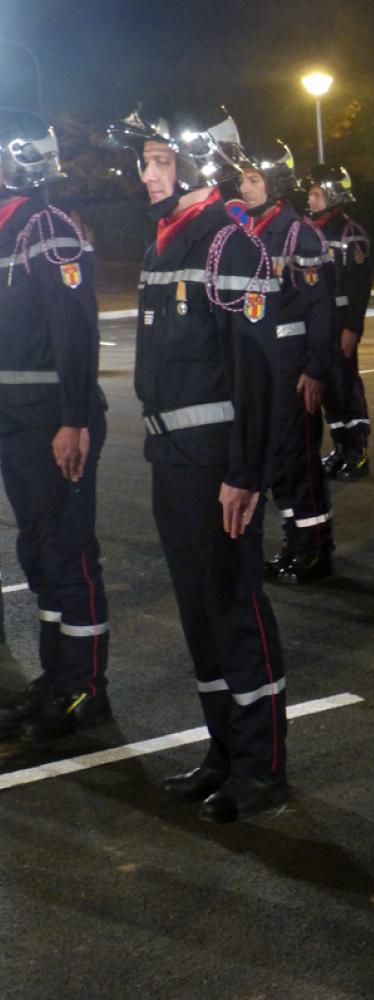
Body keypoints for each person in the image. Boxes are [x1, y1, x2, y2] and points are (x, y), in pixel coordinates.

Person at [108, 108, 287, 823]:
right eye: (145, 160)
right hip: (172, 458)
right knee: (198, 613)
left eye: (157, 159)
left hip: (217, 464)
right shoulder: (167, 243)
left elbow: (258, 371)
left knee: (234, 609)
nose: (144, 172)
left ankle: (262, 766)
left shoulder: (228, 245)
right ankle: (224, 749)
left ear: (194, 163)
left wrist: (245, 473)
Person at [0, 108, 110, 742]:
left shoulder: (49, 230)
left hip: (53, 421)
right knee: (37, 549)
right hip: (18, 420)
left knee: (70, 555)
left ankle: (85, 687)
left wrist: (73, 419)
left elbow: (75, 332)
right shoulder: (10, 228)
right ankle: (56, 676)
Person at [237, 142, 335, 584]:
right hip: (261, 365)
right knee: (276, 458)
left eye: (254, 179)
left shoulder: (300, 234)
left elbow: (320, 309)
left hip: (293, 365)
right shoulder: (248, 231)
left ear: (275, 184)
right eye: (243, 179)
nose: (244, 187)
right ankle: (293, 540)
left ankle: (315, 548)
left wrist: (316, 369)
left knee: (299, 458)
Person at [305, 164, 372, 482]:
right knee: (329, 389)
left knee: (346, 387)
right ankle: (340, 448)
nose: (311, 199)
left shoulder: (349, 232)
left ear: (333, 196)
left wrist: (352, 327)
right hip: (318, 324)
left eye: (318, 194)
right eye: (311, 193)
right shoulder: (308, 229)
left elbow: (359, 284)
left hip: (340, 323)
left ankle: (357, 452)